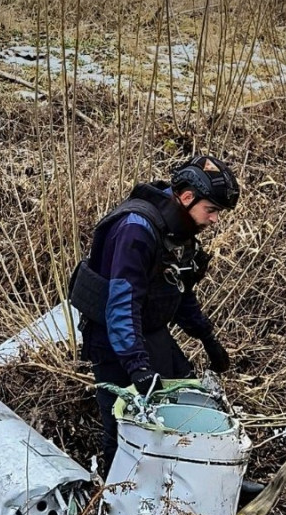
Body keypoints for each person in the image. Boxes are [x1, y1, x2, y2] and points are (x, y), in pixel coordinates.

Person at [69, 155, 247, 476]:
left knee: (188, 401)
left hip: (148, 330)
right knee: (122, 424)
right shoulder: (135, 231)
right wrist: (138, 367)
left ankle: (196, 480)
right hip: (111, 337)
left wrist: (207, 338)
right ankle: (118, 494)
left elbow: (177, 291)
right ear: (188, 197)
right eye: (212, 210)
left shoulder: (179, 231)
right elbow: (121, 306)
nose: (215, 220)